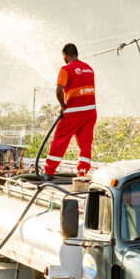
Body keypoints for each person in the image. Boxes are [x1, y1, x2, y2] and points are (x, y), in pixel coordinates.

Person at [43, 43, 97, 180]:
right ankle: (83, 172)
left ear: (65, 56)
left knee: (59, 140)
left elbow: (58, 90)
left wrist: (63, 105)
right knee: (85, 143)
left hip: (73, 111)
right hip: (90, 112)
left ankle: (49, 172)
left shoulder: (65, 69)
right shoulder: (89, 69)